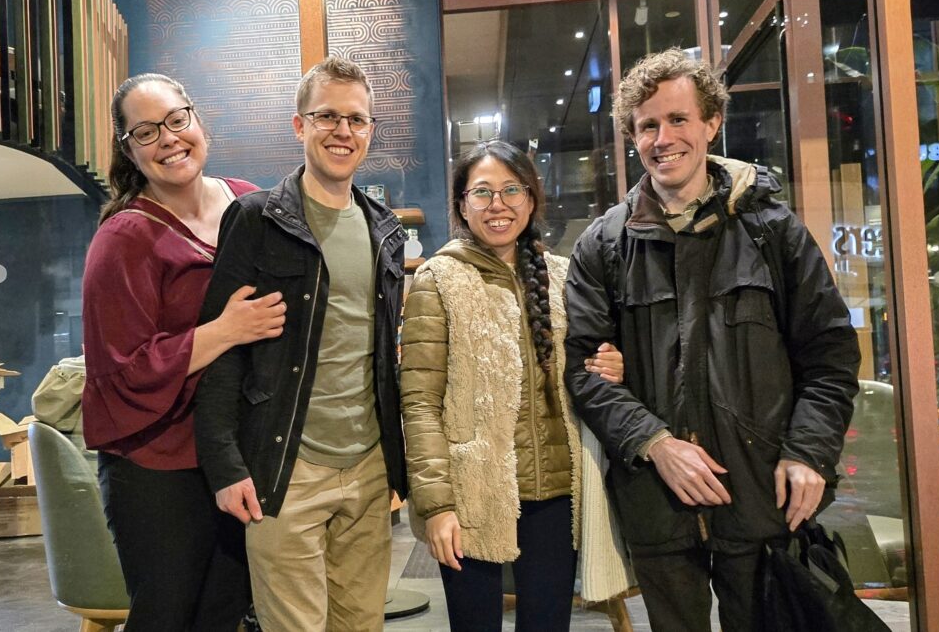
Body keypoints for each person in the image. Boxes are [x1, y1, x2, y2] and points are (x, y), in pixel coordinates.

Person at [563, 48, 861, 631]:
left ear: (711, 123)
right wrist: (653, 442)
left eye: (678, 120)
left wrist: (808, 453)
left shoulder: (772, 230)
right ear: (632, 135)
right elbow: (582, 372)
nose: (663, 137)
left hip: (760, 492)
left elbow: (829, 358)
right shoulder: (603, 245)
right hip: (657, 500)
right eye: (648, 125)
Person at [194, 56, 406, 632]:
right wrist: (225, 465)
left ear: (369, 130)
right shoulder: (258, 218)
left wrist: (397, 470)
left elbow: (382, 355)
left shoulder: (385, 229)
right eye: (328, 116)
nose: (343, 131)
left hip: (368, 469)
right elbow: (222, 350)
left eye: (356, 120)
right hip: (286, 469)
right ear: (299, 125)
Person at [401, 140, 635, 632]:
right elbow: (419, 403)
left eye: (511, 190)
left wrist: (612, 364)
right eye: (482, 192)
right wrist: (437, 506)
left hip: (555, 494)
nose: (498, 205)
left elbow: (589, 364)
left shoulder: (563, 276)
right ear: (462, 205)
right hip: (472, 495)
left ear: (531, 199)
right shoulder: (438, 279)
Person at [81, 73, 286, 631]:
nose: (168, 138)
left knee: (226, 613)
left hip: (237, 456)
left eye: (176, 119)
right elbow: (120, 369)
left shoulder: (248, 202)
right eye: (145, 131)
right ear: (128, 149)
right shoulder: (124, 238)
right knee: (168, 616)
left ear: (197, 121)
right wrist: (225, 329)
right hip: (157, 466)